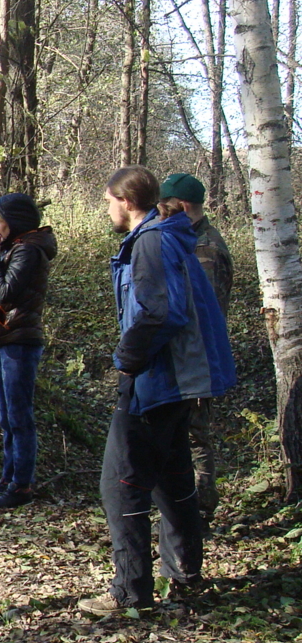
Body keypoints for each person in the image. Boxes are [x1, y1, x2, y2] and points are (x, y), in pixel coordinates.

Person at [78, 167, 235, 617]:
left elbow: (158, 313)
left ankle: (130, 592)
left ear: (127, 201)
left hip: (156, 381)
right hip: (175, 380)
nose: (107, 208)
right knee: (172, 478)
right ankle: (184, 575)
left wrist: (127, 359)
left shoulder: (150, 241)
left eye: (109, 199)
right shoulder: (169, 235)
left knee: (120, 485)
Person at [0, 193, 57, 509]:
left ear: (14, 222)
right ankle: (8, 480)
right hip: (7, 338)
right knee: (7, 417)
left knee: (19, 417)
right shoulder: (19, 247)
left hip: (20, 341)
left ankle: (21, 486)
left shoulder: (29, 251)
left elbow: (6, 290)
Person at [158, 173, 232, 516]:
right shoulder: (188, 239)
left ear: (182, 206)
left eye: (163, 205)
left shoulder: (206, 248)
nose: (158, 212)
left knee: (196, 436)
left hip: (198, 359)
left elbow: (204, 312)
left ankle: (201, 510)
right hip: (185, 357)